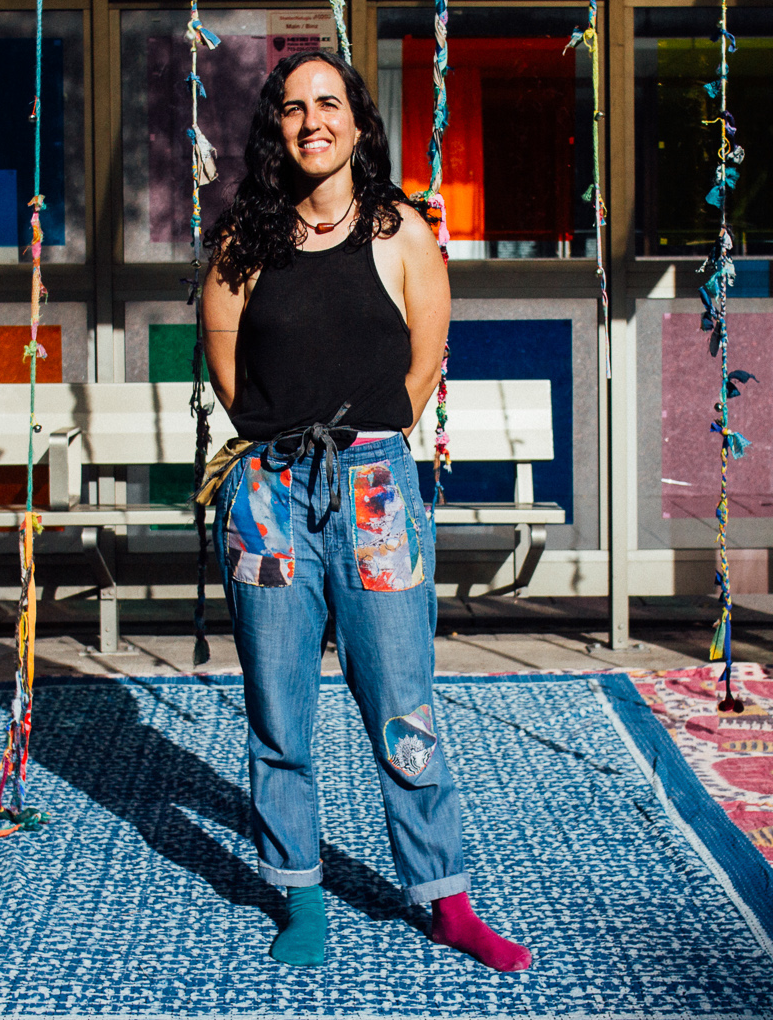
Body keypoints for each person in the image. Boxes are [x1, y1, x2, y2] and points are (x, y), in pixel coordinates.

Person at [198, 48, 531, 972]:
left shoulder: (402, 232)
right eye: (295, 108)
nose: (313, 121)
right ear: (277, 129)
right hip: (267, 496)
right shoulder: (242, 243)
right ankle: (299, 889)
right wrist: (280, 449)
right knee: (279, 707)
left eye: (329, 103)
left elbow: (423, 367)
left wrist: (365, 454)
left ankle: (446, 897)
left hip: (375, 490)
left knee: (401, 700)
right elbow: (231, 375)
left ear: (357, 121)